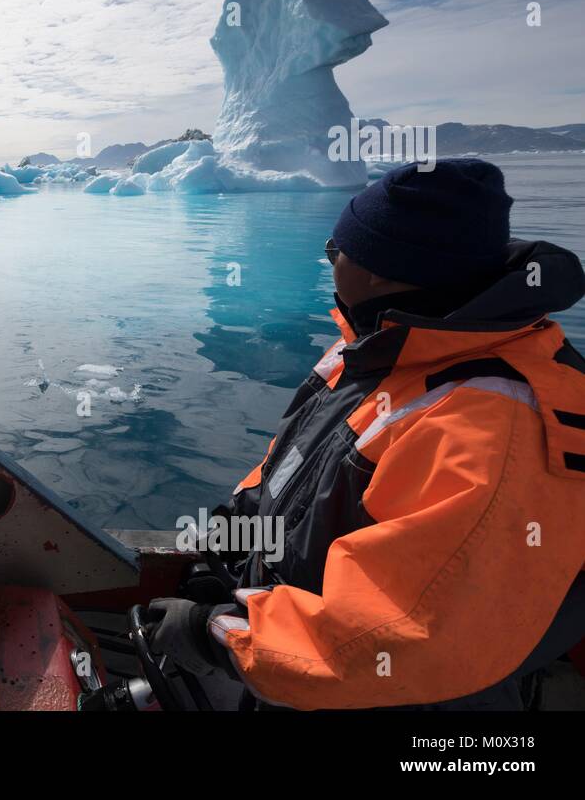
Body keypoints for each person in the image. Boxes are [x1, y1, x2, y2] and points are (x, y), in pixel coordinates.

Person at [147, 158, 585, 709]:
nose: (328, 261)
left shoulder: (492, 426)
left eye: (335, 250)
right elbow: (295, 473)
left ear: (378, 270)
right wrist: (233, 546)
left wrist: (219, 634)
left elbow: (407, 635)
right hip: (301, 654)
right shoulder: (383, 347)